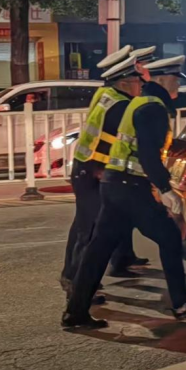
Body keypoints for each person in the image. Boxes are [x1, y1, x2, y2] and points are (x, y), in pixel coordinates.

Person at [62, 56, 186, 329]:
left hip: (113, 183)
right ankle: (181, 302)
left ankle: (75, 311)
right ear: (163, 80)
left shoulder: (140, 103)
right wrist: (166, 189)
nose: (178, 85)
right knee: (169, 236)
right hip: (131, 186)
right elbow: (147, 153)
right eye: (176, 80)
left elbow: (145, 144)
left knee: (99, 248)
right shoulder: (152, 108)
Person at [59, 47, 154, 301]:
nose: (141, 85)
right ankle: (77, 286)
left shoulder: (108, 95)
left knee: (90, 227)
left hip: (89, 170)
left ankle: (78, 277)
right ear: (124, 82)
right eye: (137, 80)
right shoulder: (120, 106)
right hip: (93, 172)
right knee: (89, 231)